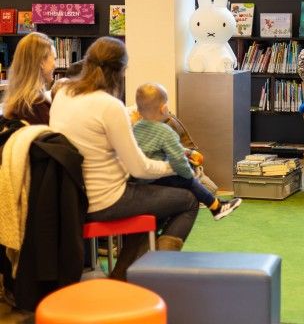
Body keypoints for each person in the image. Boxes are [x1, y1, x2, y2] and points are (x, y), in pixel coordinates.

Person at [49, 36, 199, 280]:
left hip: (72, 197)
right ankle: (161, 268)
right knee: (189, 200)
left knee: (154, 203)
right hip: (106, 200)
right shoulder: (109, 106)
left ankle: (124, 276)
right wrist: (175, 166)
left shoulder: (63, 93)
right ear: (119, 71)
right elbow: (139, 168)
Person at [132, 82, 241, 219]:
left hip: (140, 179)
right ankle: (216, 207)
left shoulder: (136, 128)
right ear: (164, 108)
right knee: (188, 181)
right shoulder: (165, 131)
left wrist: (187, 152)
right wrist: (189, 175)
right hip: (158, 179)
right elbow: (178, 160)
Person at [2, 32, 56, 124]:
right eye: (54, 59)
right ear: (41, 62)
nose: (55, 65)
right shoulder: (37, 106)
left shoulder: (16, 102)